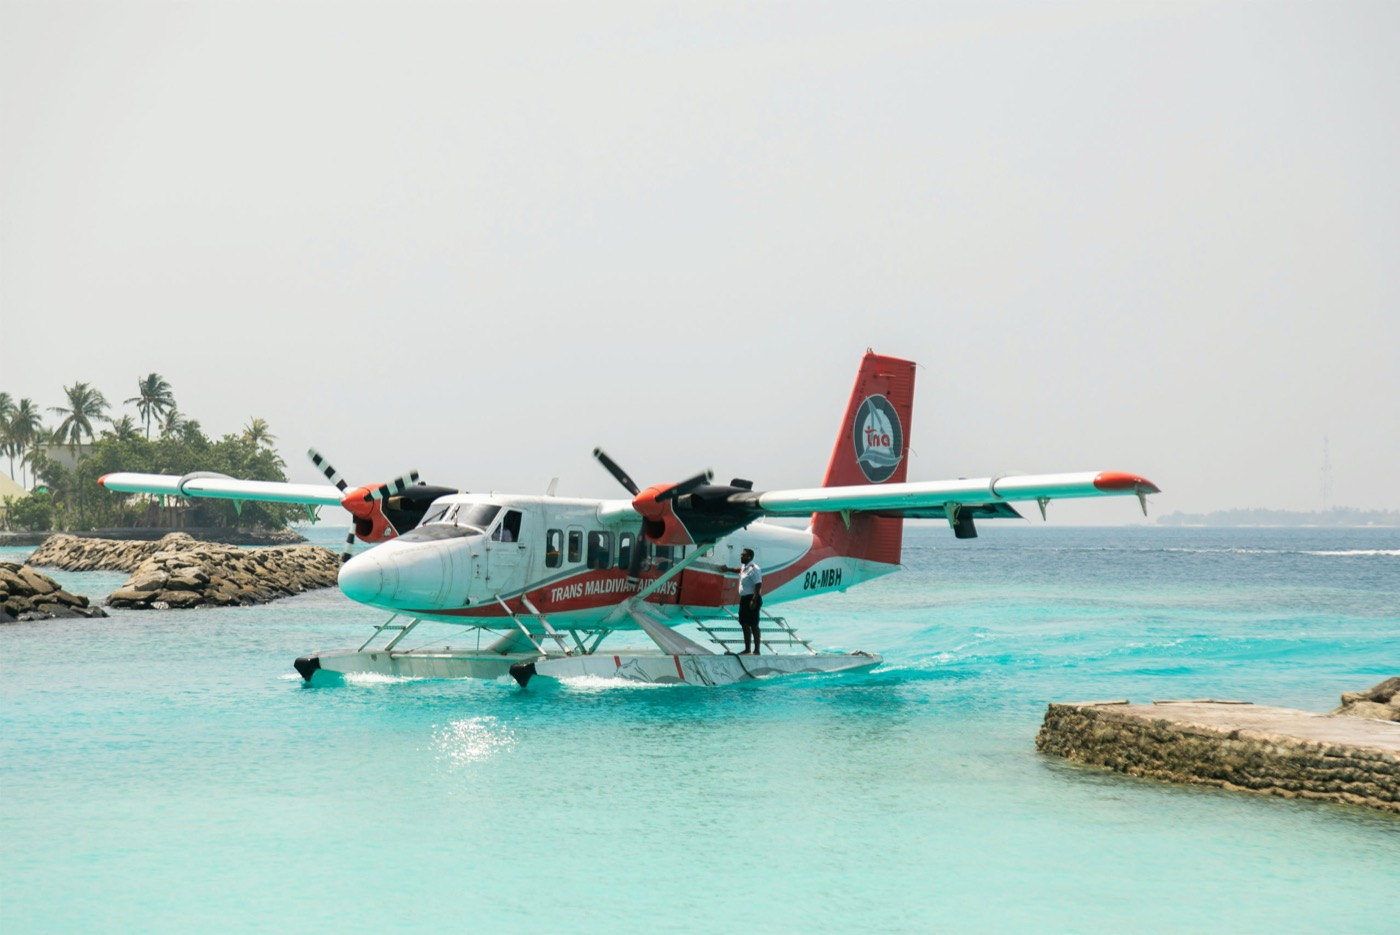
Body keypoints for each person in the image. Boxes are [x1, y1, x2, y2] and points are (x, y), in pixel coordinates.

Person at [722, 548, 763, 654]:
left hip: (752, 598)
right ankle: (747, 649)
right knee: (744, 623)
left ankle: (757, 650)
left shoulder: (754, 568)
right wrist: (728, 569)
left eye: (743, 555)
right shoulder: (745, 567)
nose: (741, 556)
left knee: (754, 624)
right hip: (745, 599)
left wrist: (754, 600)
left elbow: (758, 584)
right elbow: (739, 570)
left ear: (749, 557)